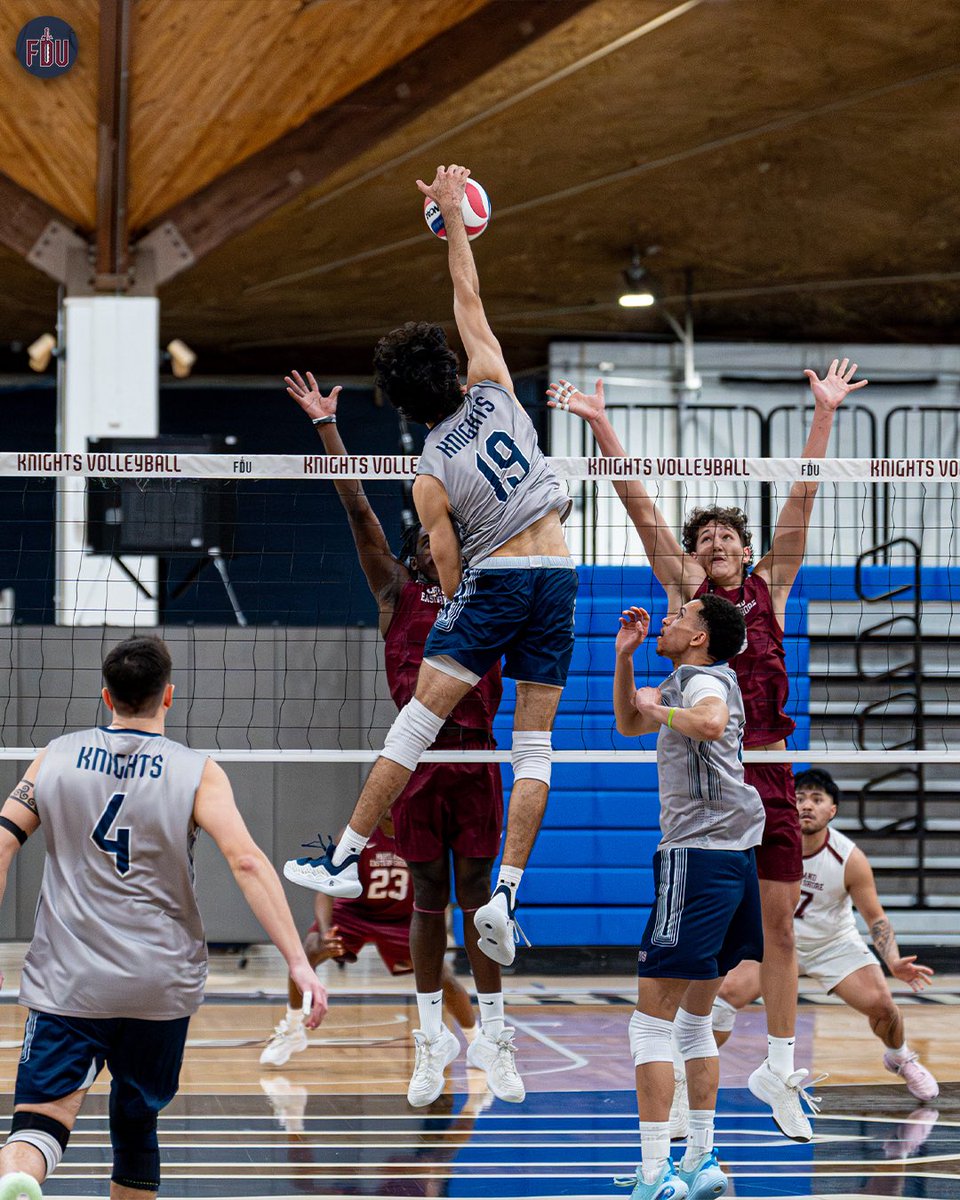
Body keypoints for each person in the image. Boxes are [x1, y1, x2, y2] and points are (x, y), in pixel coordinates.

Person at [548, 359, 868, 1140]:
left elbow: (802, 497)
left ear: (744, 549)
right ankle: (686, 1102)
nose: (717, 541)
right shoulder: (682, 599)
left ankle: (781, 1067)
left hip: (770, 766)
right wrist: (597, 425)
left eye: (728, 534)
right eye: (706, 537)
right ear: (693, 557)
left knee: (782, 931)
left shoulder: (772, 585)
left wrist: (823, 414)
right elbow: (638, 504)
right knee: (706, 960)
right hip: (710, 787)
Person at [284, 163, 577, 972]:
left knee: (415, 721)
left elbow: (448, 571)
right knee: (536, 748)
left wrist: (457, 611)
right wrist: (453, 217)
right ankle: (509, 893)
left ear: (405, 406)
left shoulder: (429, 469)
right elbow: (469, 301)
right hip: (560, 570)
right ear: (450, 368)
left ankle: (342, 856)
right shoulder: (496, 386)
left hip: (503, 582)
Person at [0, 635, 326, 1200]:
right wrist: (299, 963)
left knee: (39, 1120)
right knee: (136, 1124)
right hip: (160, 985)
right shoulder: (196, 771)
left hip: (69, 979)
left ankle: (21, 1177)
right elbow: (247, 861)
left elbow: (3, 843)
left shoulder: (53, 758)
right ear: (168, 696)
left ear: (107, 696)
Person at [279, 372, 523, 1105]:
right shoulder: (396, 593)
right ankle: (430, 1040)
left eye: (438, 536)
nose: (427, 544)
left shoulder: (487, 589)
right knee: (425, 897)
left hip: (475, 757)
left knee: (479, 900)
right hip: (415, 763)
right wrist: (327, 426)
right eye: (419, 537)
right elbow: (358, 511)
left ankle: (496, 1034)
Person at [613, 596, 764, 1200]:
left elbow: (708, 723)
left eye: (680, 616)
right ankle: (702, 1161)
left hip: (695, 858)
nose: (667, 620)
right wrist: (626, 663)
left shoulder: (701, 681)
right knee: (694, 1023)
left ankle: (655, 1174)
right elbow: (629, 723)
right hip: (732, 862)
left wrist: (657, 705)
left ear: (699, 637)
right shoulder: (694, 676)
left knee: (648, 1025)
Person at [712, 768, 938, 1103]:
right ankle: (691, 1072)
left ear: (832, 810)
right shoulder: (764, 844)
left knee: (884, 1007)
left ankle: (900, 1056)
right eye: (800, 797)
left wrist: (892, 960)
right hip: (775, 943)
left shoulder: (849, 858)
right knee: (724, 997)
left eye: (817, 799)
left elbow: (875, 917)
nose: (807, 805)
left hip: (832, 945)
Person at [261, 816, 482, 1083]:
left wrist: (436, 927)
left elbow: (439, 890)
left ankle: (477, 1042)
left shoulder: (421, 835)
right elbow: (326, 888)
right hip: (355, 911)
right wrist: (325, 929)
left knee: (443, 976)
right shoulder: (356, 834)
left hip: (403, 917)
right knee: (310, 949)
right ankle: (293, 1028)